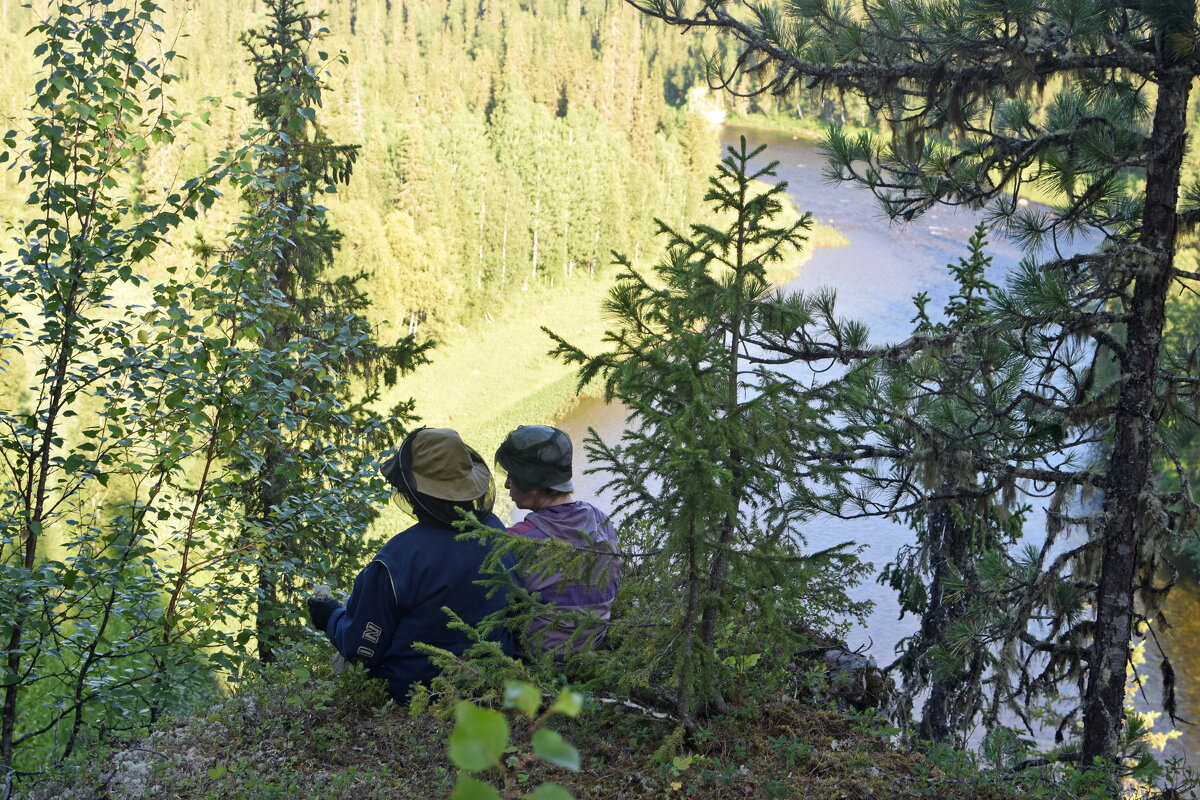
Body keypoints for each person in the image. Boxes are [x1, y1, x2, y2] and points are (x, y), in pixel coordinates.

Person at [306, 427, 515, 701]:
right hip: (493, 680)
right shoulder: (496, 530)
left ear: (421, 495)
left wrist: (330, 617)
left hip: (418, 692)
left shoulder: (398, 559)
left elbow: (361, 648)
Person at [495, 425, 619, 655]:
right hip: (593, 649)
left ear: (533, 480)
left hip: (536, 662)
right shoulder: (602, 521)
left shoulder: (520, 540)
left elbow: (493, 605)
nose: (507, 484)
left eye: (513, 475)